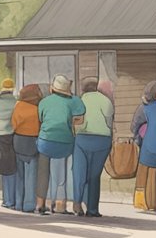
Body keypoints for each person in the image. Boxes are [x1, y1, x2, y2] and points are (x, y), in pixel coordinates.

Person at [36, 75, 85, 215]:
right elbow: (80, 119)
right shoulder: (73, 101)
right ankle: (60, 205)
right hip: (65, 141)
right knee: (63, 173)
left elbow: (41, 118)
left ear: (52, 88)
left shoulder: (44, 102)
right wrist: (69, 122)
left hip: (45, 141)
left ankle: (40, 205)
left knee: (43, 173)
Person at [73, 76, 114, 218]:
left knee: (79, 173)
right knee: (94, 176)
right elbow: (109, 122)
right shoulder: (106, 101)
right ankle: (92, 209)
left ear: (83, 88)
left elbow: (76, 120)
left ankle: (77, 204)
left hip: (82, 139)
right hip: (102, 140)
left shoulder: (80, 100)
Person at [12, 84, 43, 214]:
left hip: (19, 141)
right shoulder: (38, 108)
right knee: (31, 175)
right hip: (33, 141)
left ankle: (18, 203)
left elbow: (14, 124)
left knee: (19, 174)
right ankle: (29, 204)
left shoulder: (18, 106)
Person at [0, 79, 19, 209]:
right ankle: (11, 199)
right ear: (12, 88)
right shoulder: (16, 103)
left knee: (1, 168)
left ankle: (4, 198)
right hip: (12, 136)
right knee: (12, 168)